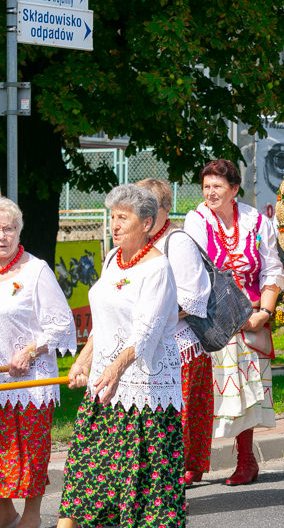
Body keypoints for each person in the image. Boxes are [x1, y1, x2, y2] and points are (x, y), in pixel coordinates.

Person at [58, 185, 184, 527]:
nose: (114, 225)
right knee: (83, 474)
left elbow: (146, 332)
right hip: (105, 385)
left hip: (145, 392)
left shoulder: (157, 268)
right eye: (112, 217)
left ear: (146, 223)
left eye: (123, 218)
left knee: (147, 492)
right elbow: (104, 324)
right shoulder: (113, 259)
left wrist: (115, 369)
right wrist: (83, 360)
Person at [185, 159, 284, 485]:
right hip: (213, 320)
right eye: (206, 187)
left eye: (217, 186)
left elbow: (272, 269)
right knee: (205, 393)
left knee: (247, 391)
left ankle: (246, 460)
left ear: (234, 189)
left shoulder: (256, 220)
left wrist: (264, 313)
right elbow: (198, 273)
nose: (211, 193)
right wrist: (234, 316)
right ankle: (194, 460)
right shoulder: (197, 220)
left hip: (252, 319)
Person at [0, 198, 76, 528]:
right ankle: (6, 515)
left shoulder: (36, 270)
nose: (3, 235)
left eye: (9, 228)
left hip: (31, 382)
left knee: (31, 454)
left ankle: (31, 518)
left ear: (19, 231)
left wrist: (29, 351)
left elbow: (61, 323)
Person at [137, 178, 215, 484]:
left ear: (164, 210)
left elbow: (194, 297)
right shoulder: (140, 243)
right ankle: (164, 468)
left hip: (180, 344)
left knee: (179, 414)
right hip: (150, 341)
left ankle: (178, 468)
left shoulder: (176, 241)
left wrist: (155, 314)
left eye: (147, 210)